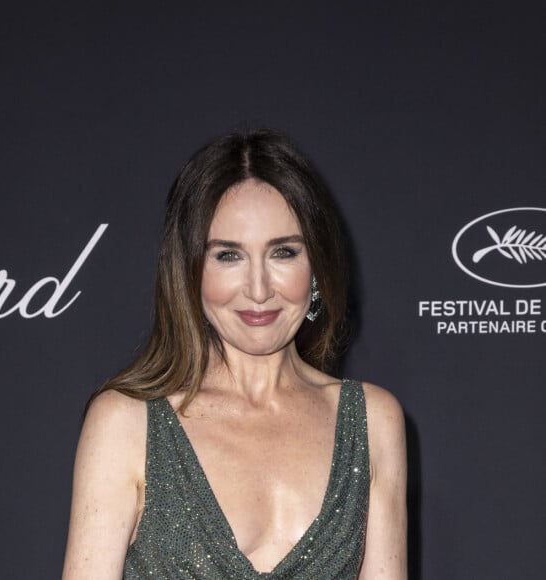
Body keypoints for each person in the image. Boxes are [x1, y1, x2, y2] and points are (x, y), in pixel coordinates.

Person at [62, 129, 407, 579]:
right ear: (189, 270)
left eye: (283, 252)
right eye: (228, 256)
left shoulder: (372, 421)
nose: (259, 290)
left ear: (317, 265)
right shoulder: (126, 424)